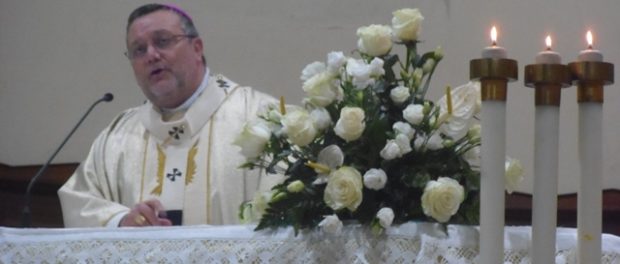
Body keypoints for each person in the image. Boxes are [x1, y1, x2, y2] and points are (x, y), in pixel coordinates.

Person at [58, 3, 279, 227]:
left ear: (197, 48)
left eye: (163, 41)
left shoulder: (261, 117)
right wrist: (121, 222)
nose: (151, 55)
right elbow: (79, 201)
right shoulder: (116, 138)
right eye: (139, 50)